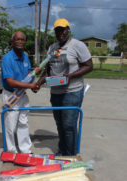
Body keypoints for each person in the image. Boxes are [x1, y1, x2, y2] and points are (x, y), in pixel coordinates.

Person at [37, 18, 93, 156]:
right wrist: (39, 82)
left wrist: (71, 76)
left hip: (72, 92)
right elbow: (48, 69)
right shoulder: (52, 47)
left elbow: (89, 66)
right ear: (55, 31)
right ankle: (62, 150)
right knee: (60, 125)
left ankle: (71, 155)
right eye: (58, 30)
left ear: (68, 30)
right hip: (55, 93)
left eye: (63, 29)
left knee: (69, 126)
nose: (61, 32)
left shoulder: (78, 45)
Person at [1, 31, 39, 153]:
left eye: (23, 39)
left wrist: (33, 82)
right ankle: (11, 151)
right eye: (17, 39)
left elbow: (29, 74)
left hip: (23, 94)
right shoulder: (7, 58)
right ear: (12, 42)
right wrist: (30, 85)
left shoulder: (25, 56)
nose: (20, 42)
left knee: (23, 123)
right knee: (10, 126)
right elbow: (10, 82)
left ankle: (25, 150)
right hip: (11, 95)